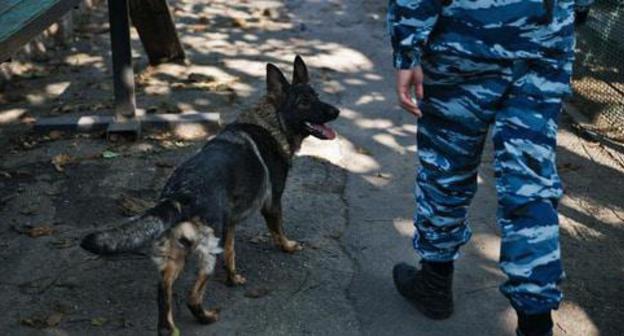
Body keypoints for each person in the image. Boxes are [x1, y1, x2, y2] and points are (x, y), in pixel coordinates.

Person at [387, 1, 593, 335]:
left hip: (463, 37)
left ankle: (435, 283)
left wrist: (407, 47)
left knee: (446, 167)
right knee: (530, 183)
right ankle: (536, 323)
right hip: (543, 39)